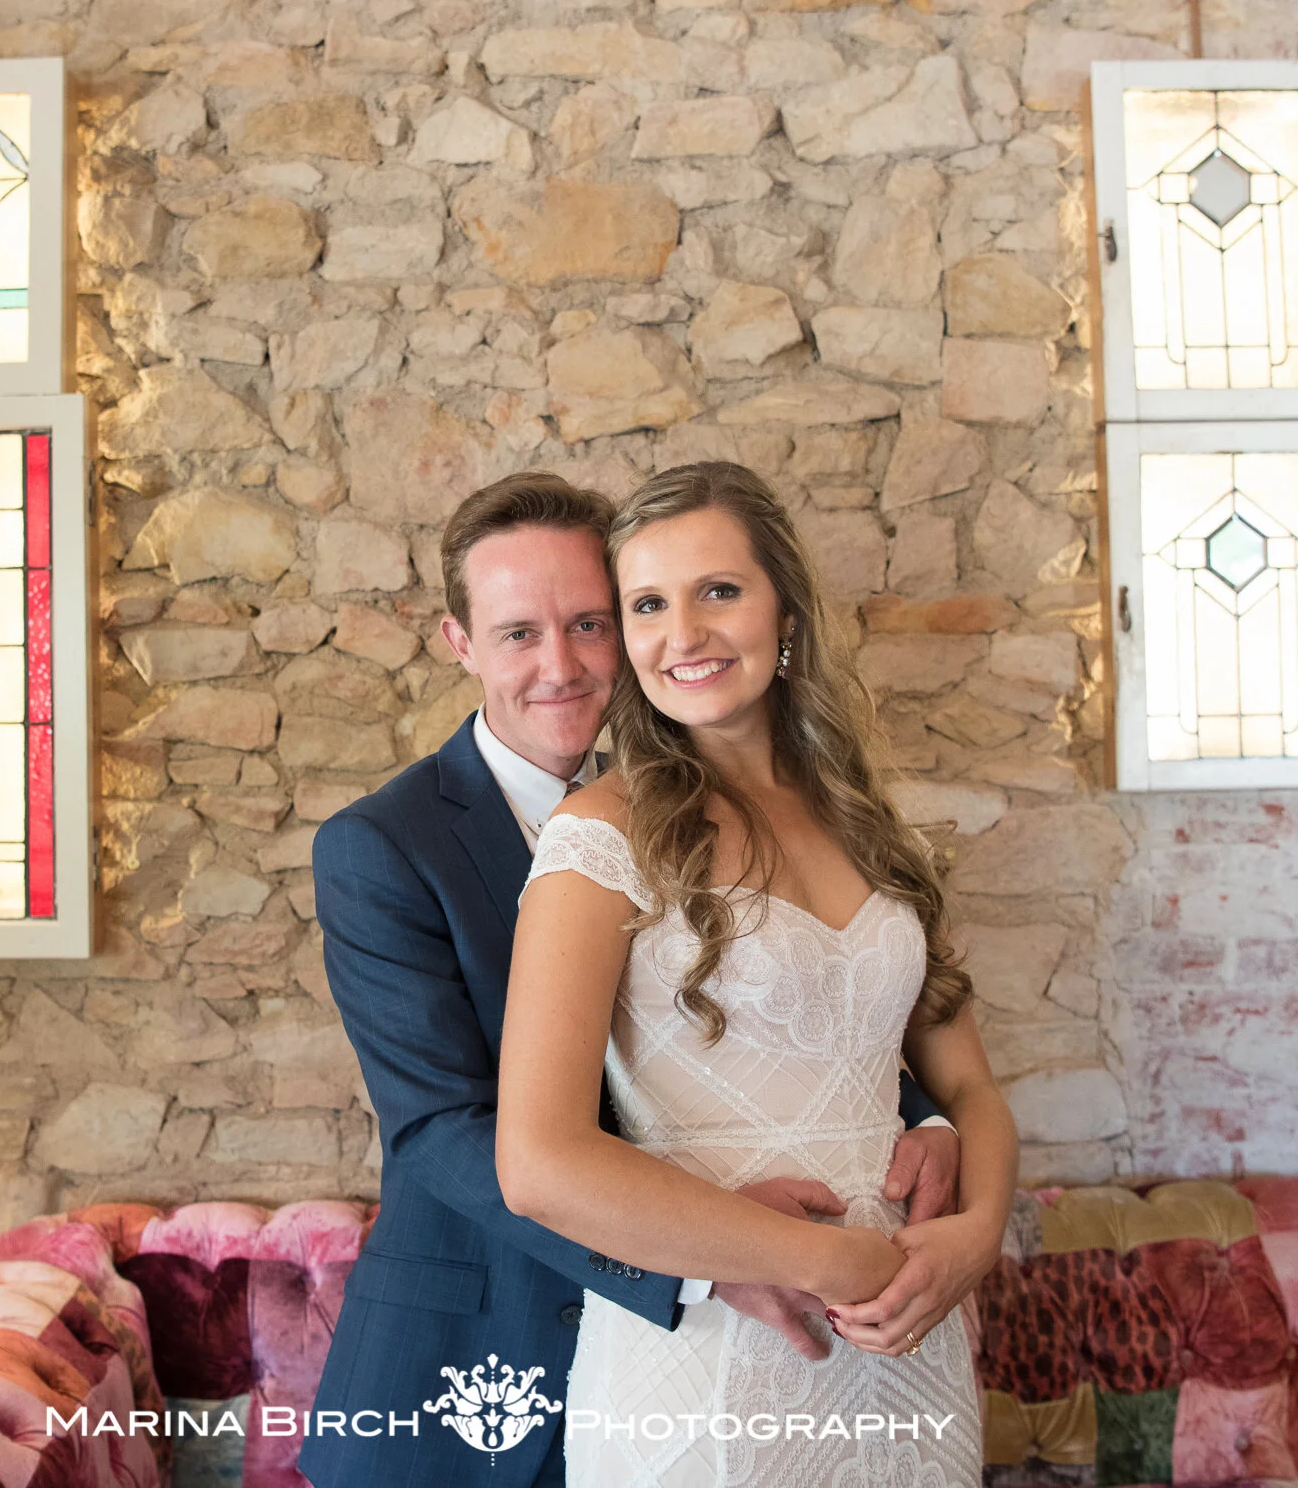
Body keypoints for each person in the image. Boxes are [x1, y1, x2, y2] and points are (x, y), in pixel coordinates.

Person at [302, 472, 964, 1488]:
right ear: (459, 642)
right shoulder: (383, 845)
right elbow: (440, 1127)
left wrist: (926, 1119)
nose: (561, 666)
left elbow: (784, 1006)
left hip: (760, 1352)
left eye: (590, 623)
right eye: (518, 633)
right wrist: (708, 1260)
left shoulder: (701, 803)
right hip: (480, 1356)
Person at [496, 460, 1013, 1486]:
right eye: (648, 604)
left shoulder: (872, 826)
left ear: (786, 611)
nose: (682, 633)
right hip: (709, 1372)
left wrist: (974, 1239)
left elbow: (969, 1089)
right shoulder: (598, 837)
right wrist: (822, 1259)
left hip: (910, 1346)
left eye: (718, 590)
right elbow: (538, 1162)